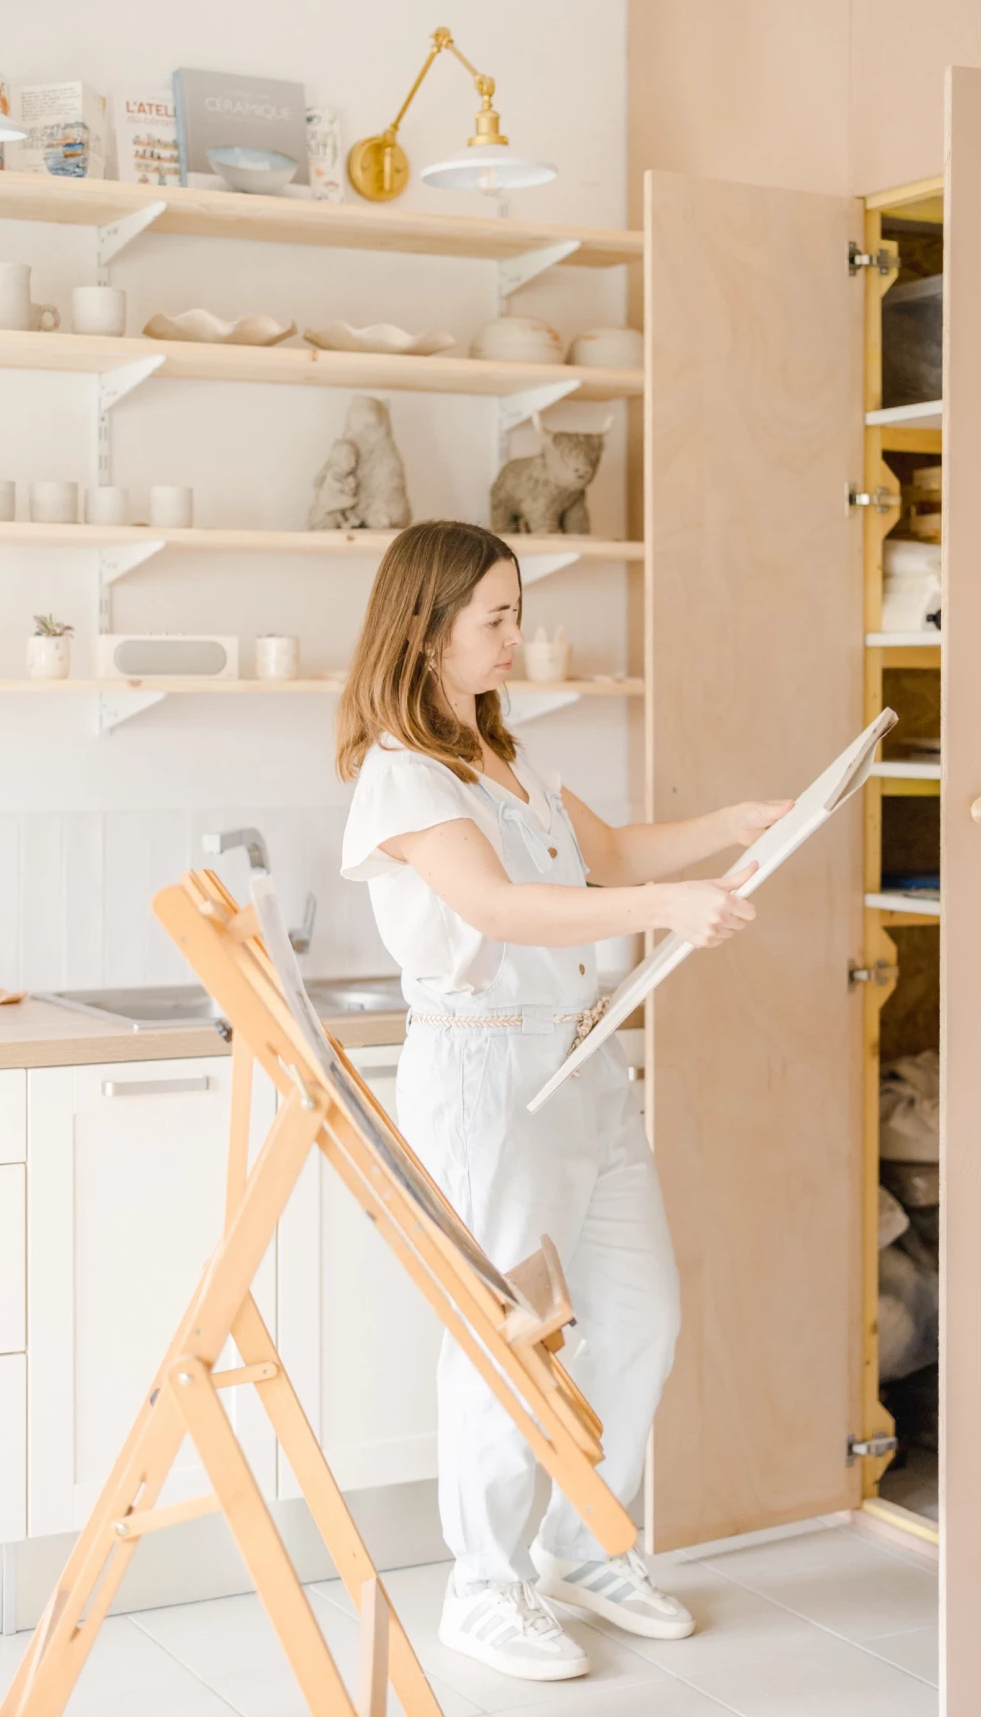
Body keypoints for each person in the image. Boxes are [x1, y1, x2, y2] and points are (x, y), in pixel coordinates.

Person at [337, 521, 790, 1684]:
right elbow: (496, 908)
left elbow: (608, 851)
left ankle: (585, 1547)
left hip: (582, 1066)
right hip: (487, 1077)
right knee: (511, 1348)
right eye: (494, 617)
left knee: (639, 1318)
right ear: (426, 628)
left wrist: (728, 831)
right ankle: (486, 1590)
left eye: (514, 611)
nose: (514, 637)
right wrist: (664, 910)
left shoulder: (512, 757)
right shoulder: (403, 770)